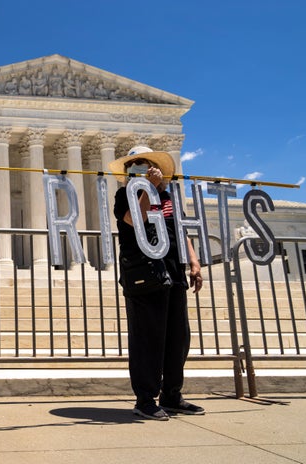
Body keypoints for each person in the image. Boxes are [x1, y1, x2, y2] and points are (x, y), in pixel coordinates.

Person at [109, 146, 205, 421]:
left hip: (173, 272)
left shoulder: (167, 196)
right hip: (144, 273)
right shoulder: (124, 195)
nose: (142, 169)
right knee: (147, 338)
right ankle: (145, 399)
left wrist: (194, 261)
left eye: (147, 165)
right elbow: (133, 220)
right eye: (136, 166)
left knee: (178, 337)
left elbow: (179, 229)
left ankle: (172, 395)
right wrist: (146, 190)